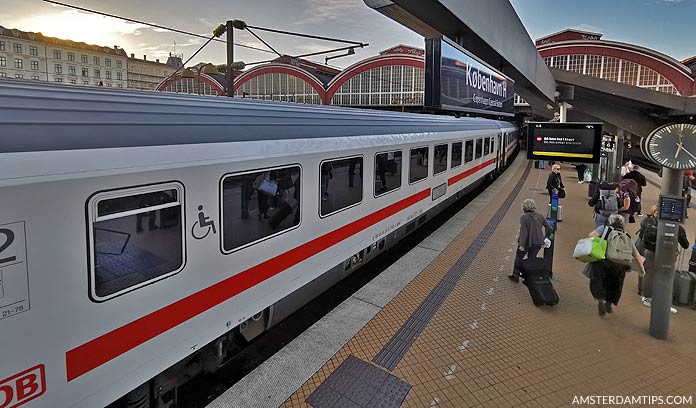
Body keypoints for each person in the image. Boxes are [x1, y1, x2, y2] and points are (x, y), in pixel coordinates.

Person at [587, 214, 646, 316]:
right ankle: (609, 303)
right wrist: (642, 270)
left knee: (598, 280)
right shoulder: (626, 235)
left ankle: (600, 299)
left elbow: (591, 235)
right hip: (620, 266)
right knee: (615, 285)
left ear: (610, 221)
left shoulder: (604, 229)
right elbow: (636, 254)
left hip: (603, 261)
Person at [639, 205, 689, 311]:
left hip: (650, 251)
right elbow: (685, 244)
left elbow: (641, 235)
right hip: (667, 255)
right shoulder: (676, 227)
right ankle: (663, 301)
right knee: (665, 277)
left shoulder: (647, 221)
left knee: (649, 274)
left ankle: (646, 297)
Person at [509, 199, 553, 283]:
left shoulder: (524, 218)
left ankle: (516, 275)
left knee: (519, 258)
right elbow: (549, 228)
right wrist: (545, 237)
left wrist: (521, 245)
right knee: (531, 260)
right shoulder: (540, 216)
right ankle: (529, 279)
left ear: (524, 207)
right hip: (538, 242)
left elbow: (524, 232)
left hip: (526, 243)